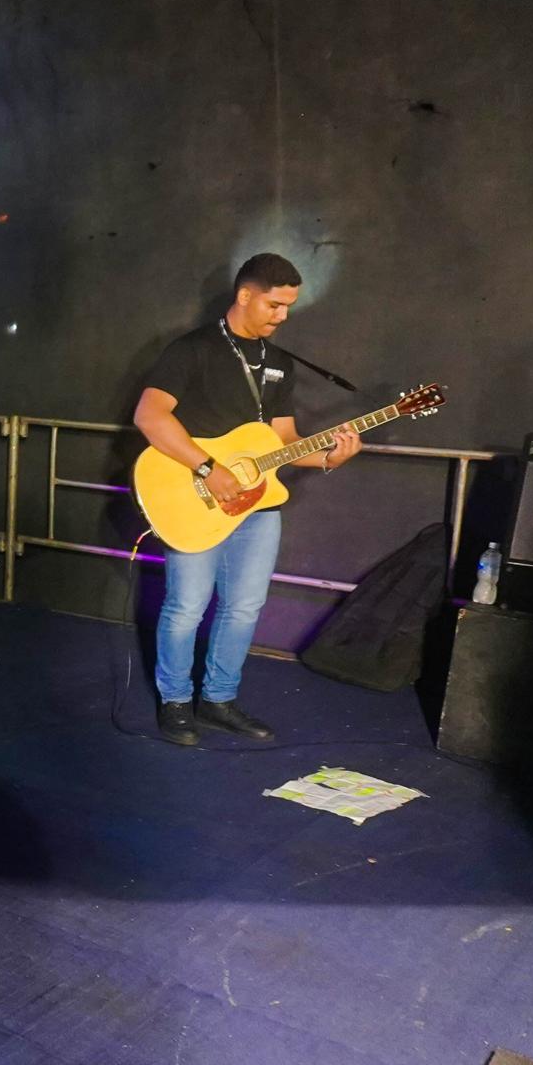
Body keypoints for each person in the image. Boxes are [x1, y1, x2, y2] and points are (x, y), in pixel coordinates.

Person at [133, 252, 361, 745]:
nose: (283, 316)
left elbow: (285, 441)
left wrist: (329, 457)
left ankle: (218, 700)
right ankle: (175, 702)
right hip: (195, 495)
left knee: (243, 607)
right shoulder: (192, 349)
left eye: (289, 307)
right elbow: (149, 417)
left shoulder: (279, 363)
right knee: (186, 606)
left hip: (259, 506)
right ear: (244, 295)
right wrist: (207, 468)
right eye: (275, 305)